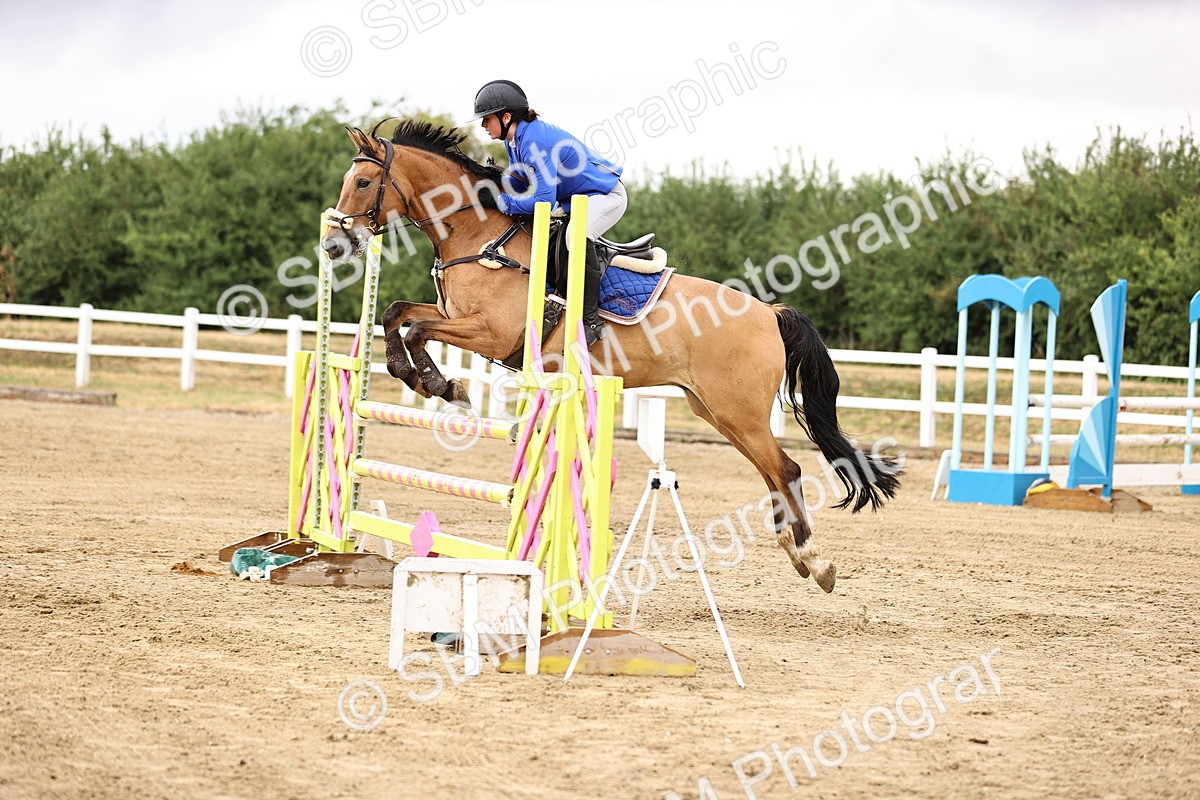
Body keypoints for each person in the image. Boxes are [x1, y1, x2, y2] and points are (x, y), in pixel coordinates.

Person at [469, 79, 626, 346]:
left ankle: (590, 322)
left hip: (605, 197)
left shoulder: (535, 142)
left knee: (574, 237)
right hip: (575, 201)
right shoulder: (514, 141)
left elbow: (544, 202)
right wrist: (490, 182)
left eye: (487, 118)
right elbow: (521, 183)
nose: (483, 124)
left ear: (506, 117)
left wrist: (501, 202)